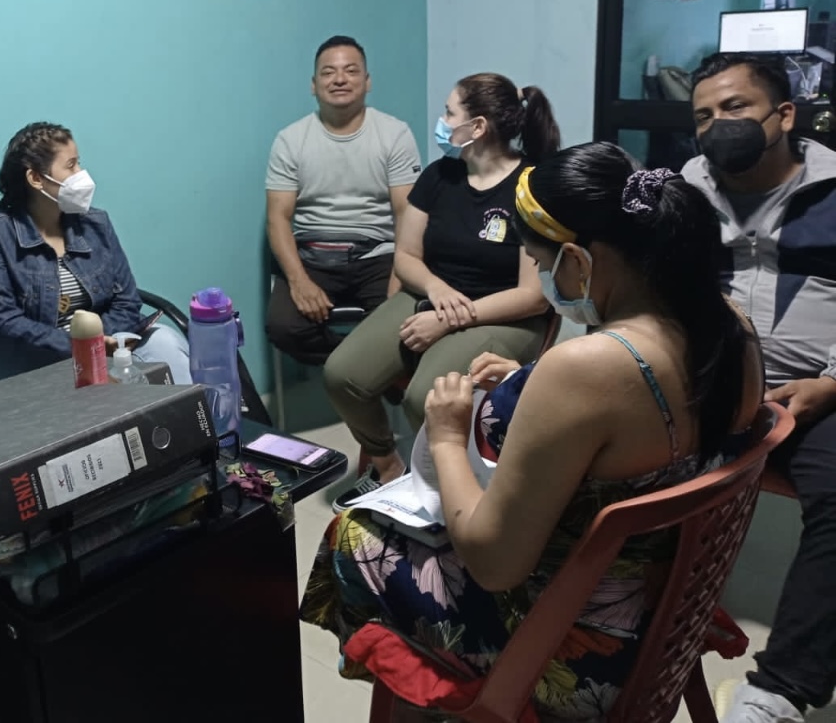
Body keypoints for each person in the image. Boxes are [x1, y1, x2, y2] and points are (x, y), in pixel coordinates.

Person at [301, 141, 765, 719]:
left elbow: (495, 565)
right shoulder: (733, 328)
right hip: (667, 616)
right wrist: (531, 379)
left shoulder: (587, 369)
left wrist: (446, 438)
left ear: (578, 261)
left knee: (352, 534)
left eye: (543, 264)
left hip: (570, 651)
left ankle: (431, 704)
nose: (543, 277)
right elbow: (629, 417)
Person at [680, 53, 836, 723]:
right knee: (591, 451)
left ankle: (780, 691)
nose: (718, 125)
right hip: (707, 386)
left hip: (813, 395)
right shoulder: (686, 188)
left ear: (785, 115)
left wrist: (832, 382)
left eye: (735, 107)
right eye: (703, 116)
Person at [326, 72, 559, 509]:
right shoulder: (440, 176)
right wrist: (435, 288)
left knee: (425, 398)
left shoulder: (531, 187)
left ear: (478, 127)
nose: (441, 121)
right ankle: (389, 468)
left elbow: (533, 296)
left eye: (449, 113)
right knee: (343, 375)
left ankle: (450, 493)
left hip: (505, 314)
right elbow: (406, 256)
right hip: (432, 297)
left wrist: (449, 318)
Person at [0, 122, 192, 384]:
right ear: (36, 179)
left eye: (79, 163)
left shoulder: (96, 223)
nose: (81, 174)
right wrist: (79, 345)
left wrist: (101, 342)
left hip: (110, 344)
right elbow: (2, 319)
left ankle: (201, 411)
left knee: (165, 342)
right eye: (71, 166)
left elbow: (127, 301)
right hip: (45, 357)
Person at [264, 35, 421, 365]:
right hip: (313, 259)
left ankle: (355, 370)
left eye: (351, 71)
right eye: (328, 72)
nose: (339, 79)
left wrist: (400, 272)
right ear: (313, 85)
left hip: (378, 256)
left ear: (367, 81)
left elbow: (406, 211)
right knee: (283, 328)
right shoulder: (290, 140)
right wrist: (299, 281)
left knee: (404, 324)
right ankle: (355, 368)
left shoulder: (394, 134)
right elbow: (278, 218)